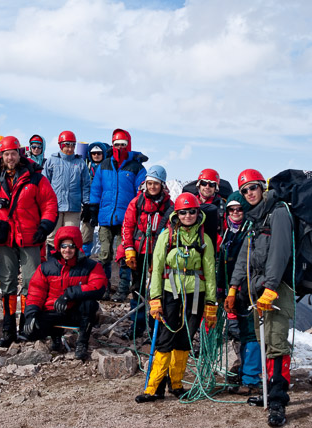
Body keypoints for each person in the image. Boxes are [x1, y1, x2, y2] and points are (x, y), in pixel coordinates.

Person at [135, 192, 217, 403]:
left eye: (192, 211)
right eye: (183, 212)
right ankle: (154, 387)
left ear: (198, 213)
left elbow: (209, 271)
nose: (188, 215)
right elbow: (157, 268)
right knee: (165, 338)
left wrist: (211, 303)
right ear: (176, 214)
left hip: (196, 294)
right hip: (170, 293)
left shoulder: (204, 238)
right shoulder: (167, 236)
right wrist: (155, 298)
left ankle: (177, 384)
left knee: (185, 339)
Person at [229, 169, 293, 427]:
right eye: (245, 190)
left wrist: (272, 287)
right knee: (264, 340)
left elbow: (279, 252)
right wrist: (234, 286)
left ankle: (277, 400)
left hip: (275, 290)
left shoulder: (277, 213)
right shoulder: (255, 219)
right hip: (258, 291)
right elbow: (245, 255)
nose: (249, 193)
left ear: (263, 187)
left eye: (253, 187)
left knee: (276, 342)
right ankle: (268, 392)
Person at [0, 136, 58, 347]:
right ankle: (8, 328)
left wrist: (45, 226)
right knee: (7, 283)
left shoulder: (36, 177)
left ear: (20, 154)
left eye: (13, 153)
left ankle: (28, 326)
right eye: (6, 153)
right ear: (1, 155)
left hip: (30, 237)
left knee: (32, 283)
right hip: (6, 239)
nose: (10, 157)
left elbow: (49, 202)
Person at [23, 226, 107, 360]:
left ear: (77, 247)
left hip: (75, 312)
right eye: (64, 246)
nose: (67, 249)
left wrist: (69, 294)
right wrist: (30, 313)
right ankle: (55, 337)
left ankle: (82, 343)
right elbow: (35, 292)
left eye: (71, 246)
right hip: (53, 310)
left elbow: (99, 285)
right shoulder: (46, 267)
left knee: (90, 304)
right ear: (58, 247)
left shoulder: (91, 266)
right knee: (30, 330)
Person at [88, 129, 146, 300]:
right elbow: (96, 188)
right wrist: (93, 209)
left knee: (124, 255)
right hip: (106, 217)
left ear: (129, 145)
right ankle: (104, 287)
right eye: (116, 144)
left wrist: (137, 215)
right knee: (104, 254)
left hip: (126, 220)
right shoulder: (105, 165)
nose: (119, 148)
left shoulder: (137, 167)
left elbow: (140, 193)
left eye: (123, 145)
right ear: (112, 145)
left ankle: (122, 289)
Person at [117, 166, 174, 341]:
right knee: (137, 289)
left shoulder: (168, 206)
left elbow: (170, 230)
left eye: (155, 184)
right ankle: (138, 325)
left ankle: (153, 326)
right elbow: (127, 226)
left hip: (158, 252)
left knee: (156, 290)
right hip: (139, 251)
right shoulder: (137, 202)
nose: (152, 187)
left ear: (162, 184)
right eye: (149, 183)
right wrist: (128, 250)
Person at [218, 192, 261, 395]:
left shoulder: (250, 231)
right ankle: (245, 373)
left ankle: (250, 377)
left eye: (239, 209)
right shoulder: (229, 232)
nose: (235, 213)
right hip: (233, 290)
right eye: (231, 209)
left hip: (248, 290)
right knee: (240, 332)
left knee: (250, 332)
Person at [43, 130, 91, 252]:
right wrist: (44, 203)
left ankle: (70, 267)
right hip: (54, 207)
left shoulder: (80, 163)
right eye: (67, 145)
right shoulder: (52, 161)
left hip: (73, 208)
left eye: (72, 145)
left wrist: (86, 204)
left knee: (71, 236)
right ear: (60, 145)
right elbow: (44, 184)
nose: (70, 148)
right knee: (52, 237)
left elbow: (86, 185)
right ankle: (53, 264)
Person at [79, 142, 109, 255]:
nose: (96, 155)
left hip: (104, 205)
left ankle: (105, 259)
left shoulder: (108, 168)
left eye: (99, 153)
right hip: (88, 205)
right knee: (86, 234)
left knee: (106, 234)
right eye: (93, 153)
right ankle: (84, 257)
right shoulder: (86, 167)